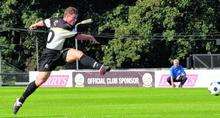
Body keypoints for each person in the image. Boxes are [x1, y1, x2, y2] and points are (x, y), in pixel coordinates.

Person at [13, 6, 111, 114]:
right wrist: (91, 37)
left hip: (59, 53)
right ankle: (20, 100)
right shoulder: (66, 27)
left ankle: (100, 67)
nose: (75, 20)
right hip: (48, 56)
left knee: (78, 54)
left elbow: (44, 22)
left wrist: (35, 25)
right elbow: (78, 36)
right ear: (67, 16)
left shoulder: (55, 20)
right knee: (40, 81)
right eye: (73, 18)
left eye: (76, 18)